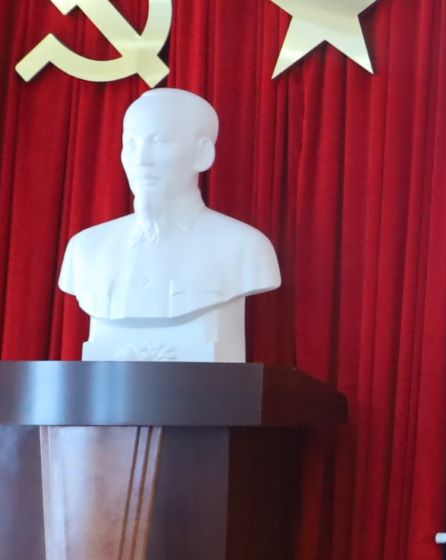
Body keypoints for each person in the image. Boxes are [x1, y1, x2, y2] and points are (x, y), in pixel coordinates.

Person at [57, 87, 280, 362]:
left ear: (203, 154)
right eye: (131, 144)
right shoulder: (86, 248)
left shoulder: (245, 246)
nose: (141, 160)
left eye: (159, 142)